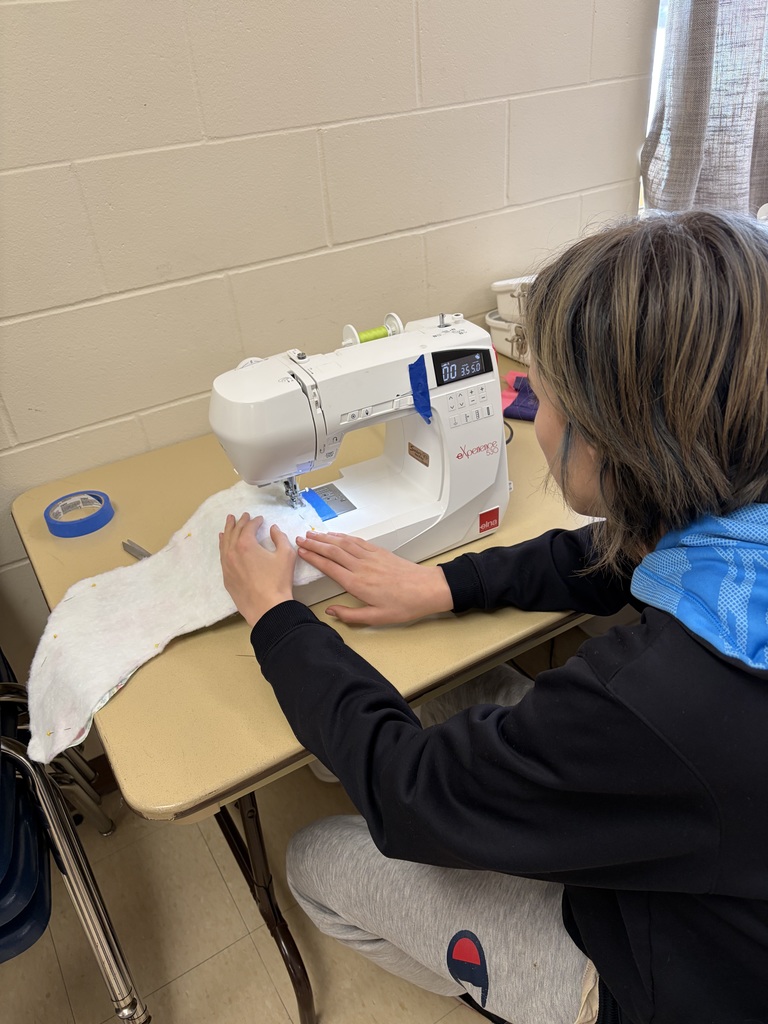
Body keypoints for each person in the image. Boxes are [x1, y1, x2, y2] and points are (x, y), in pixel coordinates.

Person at [218, 209, 768, 1024]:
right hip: (725, 859)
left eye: (542, 396)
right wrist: (443, 588)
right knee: (452, 698)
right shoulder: (735, 527)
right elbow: (622, 552)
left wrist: (275, 619)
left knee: (316, 860)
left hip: (672, 976)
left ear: (613, 445)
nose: (529, 415)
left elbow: (410, 797)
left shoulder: (651, 701)